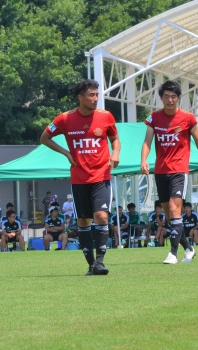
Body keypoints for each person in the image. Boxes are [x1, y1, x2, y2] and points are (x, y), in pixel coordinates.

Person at [40, 79, 120, 275]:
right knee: (83, 222)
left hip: (101, 176)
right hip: (79, 179)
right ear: (80, 97)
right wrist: (66, 153)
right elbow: (44, 137)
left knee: (101, 216)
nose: (95, 99)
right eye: (91, 95)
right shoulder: (64, 119)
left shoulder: (106, 116)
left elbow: (115, 139)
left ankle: (100, 261)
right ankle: (91, 265)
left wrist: (115, 153)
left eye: (96, 95)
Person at [141, 79, 198, 264]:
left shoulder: (188, 118)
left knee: (176, 210)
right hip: (160, 172)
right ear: (161, 98)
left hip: (179, 171)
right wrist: (143, 160)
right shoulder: (154, 117)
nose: (170, 100)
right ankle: (190, 249)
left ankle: (173, 253)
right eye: (166, 96)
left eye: (173, 97)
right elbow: (147, 142)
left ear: (178, 98)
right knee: (170, 217)